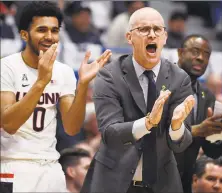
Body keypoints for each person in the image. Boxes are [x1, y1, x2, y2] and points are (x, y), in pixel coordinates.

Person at [81, 7, 195, 193]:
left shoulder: (179, 78)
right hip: (114, 181)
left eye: (157, 29)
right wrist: (148, 123)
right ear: (129, 37)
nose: (151, 35)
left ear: (165, 37)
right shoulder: (109, 75)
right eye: (143, 29)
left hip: (162, 184)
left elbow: (182, 143)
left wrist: (176, 126)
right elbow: (110, 133)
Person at [0, 2, 111, 192]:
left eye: (54, 30)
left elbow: (71, 128)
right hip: (15, 163)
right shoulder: (7, 68)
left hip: (51, 167)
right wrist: (41, 82)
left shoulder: (64, 72)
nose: (49, 37)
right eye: (41, 30)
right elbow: (8, 124)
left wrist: (82, 85)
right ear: (24, 34)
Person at [175, 34, 222, 193]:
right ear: (180, 53)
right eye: (195, 51)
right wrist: (198, 130)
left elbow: (213, 152)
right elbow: (156, 132)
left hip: (184, 181)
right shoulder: (160, 84)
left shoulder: (207, 95)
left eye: (206, 55)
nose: (201, 58)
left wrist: (216, 135)